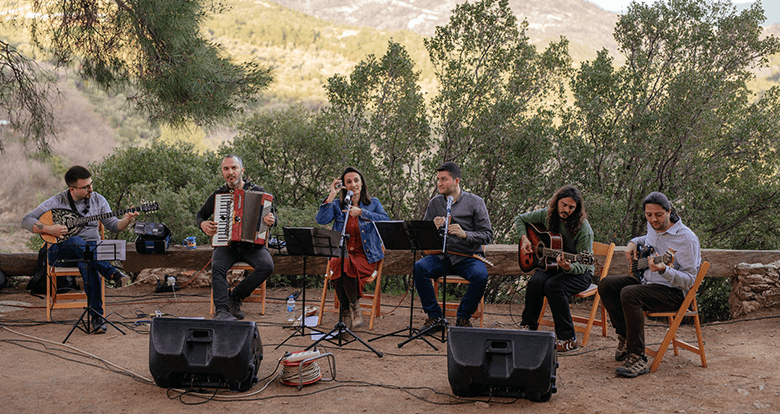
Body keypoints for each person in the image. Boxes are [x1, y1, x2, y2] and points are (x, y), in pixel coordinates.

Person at [21, 165, 138, 333]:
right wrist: (49, 229)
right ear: (72, 189)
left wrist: (127, 220)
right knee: (76, 240)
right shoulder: (58, 201)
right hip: (62, 251)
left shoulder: (98, 200)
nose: (91, 189)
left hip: (89, 252)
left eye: (91, 184)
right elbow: (26, 220)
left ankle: (97, 317)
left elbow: (114, 226)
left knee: (88, 262)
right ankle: (111, 272)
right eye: (86, 187)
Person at [598, 192, 701, 378]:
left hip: (673, 293)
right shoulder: (653, 225)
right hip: (647, 282)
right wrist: (632, 243)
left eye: (658, 215)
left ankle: (637, 357)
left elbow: (689, 280)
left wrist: (664, 270)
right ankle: (625, 336)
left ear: (669, 211)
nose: (653, 219)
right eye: (648, 215)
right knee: (607, 284)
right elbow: (647, 239)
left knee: (629, 293)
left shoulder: (687, 239)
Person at [514, 184, 595, 352]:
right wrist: (525, 238)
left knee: (554, 286)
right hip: (553, 266)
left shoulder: (583, 229)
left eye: (572, 207)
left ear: (577, 209)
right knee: (535, 282)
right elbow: (520, 218)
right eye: (563, 205)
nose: (566, 210)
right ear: (557, 202)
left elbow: (585, 263)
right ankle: (529, 327)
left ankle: (568, 338)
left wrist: (569, 267)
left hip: (580, 271)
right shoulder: (547, 214)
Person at [196, 154, 276, 321]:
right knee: (217, 267)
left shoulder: (258, 192)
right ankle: (222, 311)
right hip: (227, 245)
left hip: (252, 246)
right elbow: (200, 215)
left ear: (242, 170)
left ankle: (236, 297)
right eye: (226, 169)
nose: (230, 172)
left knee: (267, 266)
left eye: (234, 168)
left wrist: (270, 220)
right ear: (222, 172)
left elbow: (273, 218)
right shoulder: (219, 195)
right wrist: (202, 224)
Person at [414, 161, 493, 329]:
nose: (439, 184)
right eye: (438, 179)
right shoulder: (435, 203)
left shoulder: (475, 202)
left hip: (468, 257)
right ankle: (435, 317)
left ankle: (463, 318)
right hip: (441, 256)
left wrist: (466, 234)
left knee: (481, 276)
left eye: (444, 179)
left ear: (456, 181)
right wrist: (432, 228)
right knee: (419, 268)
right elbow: (424, 237)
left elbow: (487, 235)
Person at [315, 166, 390, 329]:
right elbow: (321, 220)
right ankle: (354, 308)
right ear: (344, 186)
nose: (353, 184)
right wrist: (331, 195)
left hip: (366, 256)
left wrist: (362, 212)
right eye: (348, 182)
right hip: (342, 255)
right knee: (340, 262)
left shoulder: (373, 203)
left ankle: (345, 312)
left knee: (341, 264)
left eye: (356, 180)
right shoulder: (337, 205)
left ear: (362, 183)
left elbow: (386, 221)